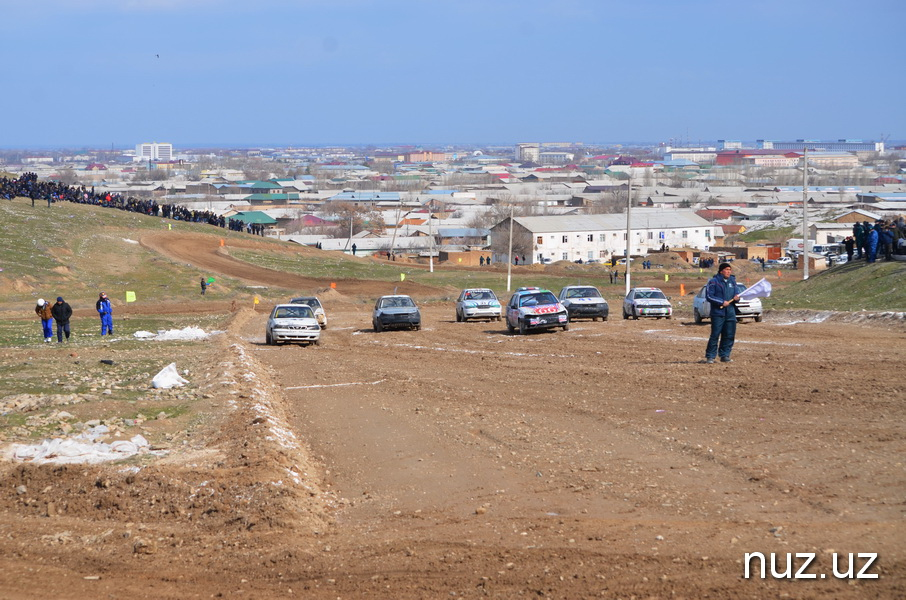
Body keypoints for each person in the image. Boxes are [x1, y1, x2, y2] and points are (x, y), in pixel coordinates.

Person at [704, 263, 740, 364]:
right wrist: (721, 302)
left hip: (730, 313)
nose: (728, 271)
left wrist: (737, 298)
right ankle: (710, 356)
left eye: (730, 270)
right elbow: (709, 296)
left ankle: (725, 355)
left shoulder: (732, 282)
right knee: (715, 335)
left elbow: (736, 295)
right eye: (726, 269)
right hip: (718, 313)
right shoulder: (713, 282)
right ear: (721, 271)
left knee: (729, 335)